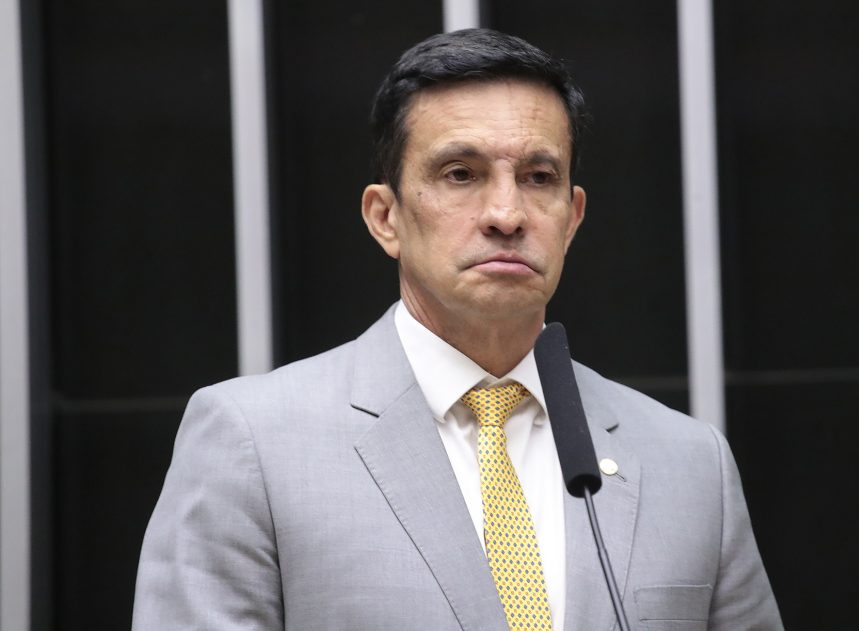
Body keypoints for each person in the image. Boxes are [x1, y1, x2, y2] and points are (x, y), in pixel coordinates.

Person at [132, 28, 782, 630]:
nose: (506, 213)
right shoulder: (253, 444)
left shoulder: (689, 462)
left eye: (539, 178)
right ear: (385, 217)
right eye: (461, 174)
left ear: (572, 217)